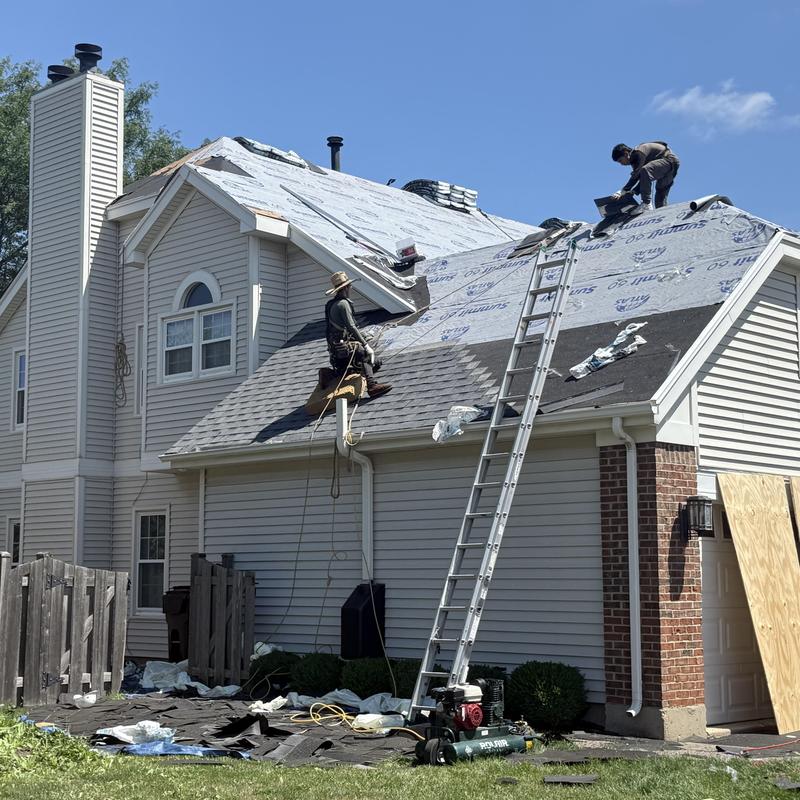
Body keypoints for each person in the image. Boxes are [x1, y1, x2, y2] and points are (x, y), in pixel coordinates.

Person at [324, 271, 392, 399]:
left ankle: (334, 375)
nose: (351, 287)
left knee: (376, 362)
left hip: (336, 352)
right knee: (366, 355)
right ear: (345, 287)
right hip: (344, 350)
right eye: (349, 286)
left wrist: (363, 337)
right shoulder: (343, 304)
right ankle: (371, 386)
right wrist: (366, 345)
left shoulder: (332, 304)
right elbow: (351, 327)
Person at [611, 141, 680, 210]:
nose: (621, 164)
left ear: (626, 154)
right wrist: (634, 191)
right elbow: (644, 180)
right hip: (669, 168)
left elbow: (637, 175)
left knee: (645, 170)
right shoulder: (635, 162)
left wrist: (623, 191)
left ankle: (646, 203)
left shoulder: (638, 153)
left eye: (620, 160)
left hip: (669, 160)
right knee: (660, 201)